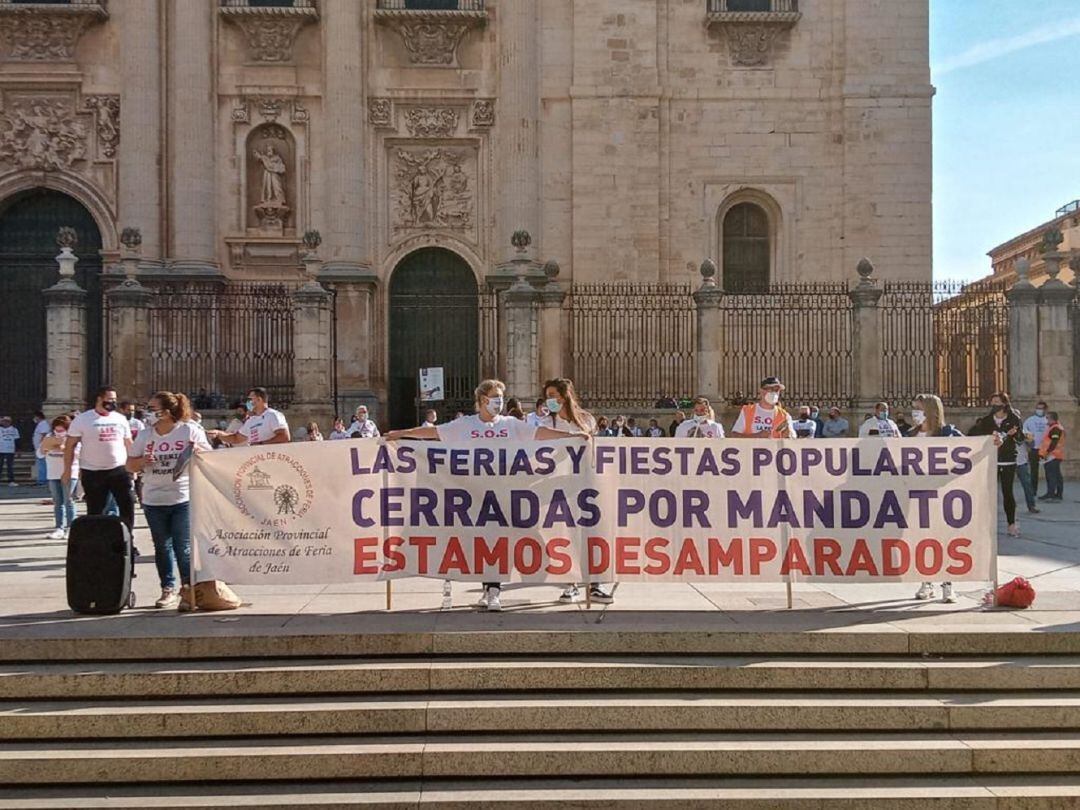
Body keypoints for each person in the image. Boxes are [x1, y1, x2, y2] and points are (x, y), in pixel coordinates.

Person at [386, 379, 588, 612]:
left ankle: (497, 588)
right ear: (483, 400)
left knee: (502, 540)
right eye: (495, 397)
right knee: (483, 542)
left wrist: (572, 439)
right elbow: (433, 433)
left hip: (505, 495)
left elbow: (540, 433)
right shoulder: (465, 424)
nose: (500, 402)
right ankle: (490, 589)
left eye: (501, 397)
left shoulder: (512, 424)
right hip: (474, 496)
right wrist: (400, 434)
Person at [127, 391, 212, 610]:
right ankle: (168, 588)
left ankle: (188, 590)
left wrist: (196, 452)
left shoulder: (188, 430)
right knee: (161, 547)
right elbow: (130, 465)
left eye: (153, 408)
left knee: (182, 546)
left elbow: (208, 457)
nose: (149, 412)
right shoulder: (145, 435)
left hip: (182, 496)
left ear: (166, 412)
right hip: (153, 498)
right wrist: (142, 461)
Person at [539, 377, 617, 606]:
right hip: (556, 485)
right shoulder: (546, 423)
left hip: (585, 484)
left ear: (564, 396)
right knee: (565, 535)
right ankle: (570, 585)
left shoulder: (586, 419)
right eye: (547, 396)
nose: (549, 400)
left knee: (591, 535)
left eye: (553, 395)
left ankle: (596, 584)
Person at [910, 394, 965, 603]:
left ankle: (948, 583)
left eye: (919, 408)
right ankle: (926, 582)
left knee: (944, 540)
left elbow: (973, 448)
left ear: (931, 411)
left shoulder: (949, 434)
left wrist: (993, 442)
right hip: (916, 497)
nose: (914, 413)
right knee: (921, 541)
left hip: (943, 496)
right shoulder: (909, 436)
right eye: (914, 408)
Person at [62, 387, 135, 532]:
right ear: (99, 399)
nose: (113, 402)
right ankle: (97, 543)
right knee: (95, 511)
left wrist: (133, 467)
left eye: (115, 400)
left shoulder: (120, 419)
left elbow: (129, 444)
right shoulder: (82, 419)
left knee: (127, 506)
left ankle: (128, 541)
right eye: (110, 399)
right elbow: (70, 445)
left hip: (119, 469)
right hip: (93, 471)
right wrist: (67, 471)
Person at [969, 391, 1023, 537]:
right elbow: (976, 436)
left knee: (1007, 493)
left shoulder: (1013, 418)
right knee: (987, 493)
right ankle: (985, 525)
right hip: (990, 460)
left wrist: (1014, 434)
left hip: (1008, 460)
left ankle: (1011, 524)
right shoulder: (986, 421)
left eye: (997, 403)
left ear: (1005, 404)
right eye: (992, 403)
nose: (994, 405)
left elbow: (1020, 438)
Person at [208, 387, 290, 446]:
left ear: (259, 399)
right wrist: (218, 434)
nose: (248, 403)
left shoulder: (273, 415)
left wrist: (261, 444)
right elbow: (236, 438)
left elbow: (284, 437)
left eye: (250, 399)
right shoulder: (251, 420)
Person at [40, 416, 78, 539]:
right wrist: (45, 449)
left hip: (69, 472)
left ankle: (71, 528)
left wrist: (65, 449)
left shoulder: (73, 438)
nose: (59, 433)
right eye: (56, 430)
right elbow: (39, 453)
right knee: (57, 502)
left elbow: (79, 454)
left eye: (61, 430)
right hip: (53, 473)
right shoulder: (48, 437)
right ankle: (59, 528)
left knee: (68, 501)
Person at [730, 377, 796, 439]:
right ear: (761, 391)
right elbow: (734, 435)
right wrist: (757, 436)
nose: (773, 392)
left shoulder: (784, 415)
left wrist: (788, 435)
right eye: (770, 389)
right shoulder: (747, 411)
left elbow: (792, 438)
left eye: (776, 390)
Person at [1023, 401, 1050, 497]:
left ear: (1045, 409)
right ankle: (1033, 491)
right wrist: (1028, 441)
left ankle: (1050, 492)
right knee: (1034, 471)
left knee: (1049, 471)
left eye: (1041, 408)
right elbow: (1024, 431)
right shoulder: (1030, 420)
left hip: (1046, 449)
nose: (1039, 410)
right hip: (1034, 449)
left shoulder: (1048, 420)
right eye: (1038, 408)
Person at [1039, 411, 1065, 502]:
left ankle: (1051, 494)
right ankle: (1056, 494)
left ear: (1051, 419)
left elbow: (1054, 442)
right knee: (1056, 475)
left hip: (1052, 456)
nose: (1046, 420)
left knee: (1052, 476)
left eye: (1047, 418)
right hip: (1054, 455)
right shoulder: (1054, 427)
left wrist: (1047, 453)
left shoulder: (1055, 428)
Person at [1014, 433, 1040, 515]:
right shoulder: (1006, 432)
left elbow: (1032, 445)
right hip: (1009, 463)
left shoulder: (1023, 433)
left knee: (1027, 485)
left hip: (1022, 463)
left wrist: (1029, 439)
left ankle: (1031, 506)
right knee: (1007, 487)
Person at [32, 411, 49, 486]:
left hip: (41, 448)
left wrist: (41, 446)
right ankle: (41, 479)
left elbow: (44, 434)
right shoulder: (40, 424)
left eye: (35, 417)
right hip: (39, 448)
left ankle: (43, 480)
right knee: (40, 464)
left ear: (38, 417)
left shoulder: (43, 424)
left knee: (42, 464)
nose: (34, 419)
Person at [0, 415, 18, 486]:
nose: (5, 423)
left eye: (7, 421)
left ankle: (11, 481)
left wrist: (18, 450)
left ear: (10, 422)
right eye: (4, 421)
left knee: (10, 466)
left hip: (10, 450)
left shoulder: (14, 429)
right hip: (0, 449)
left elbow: (17, 440)